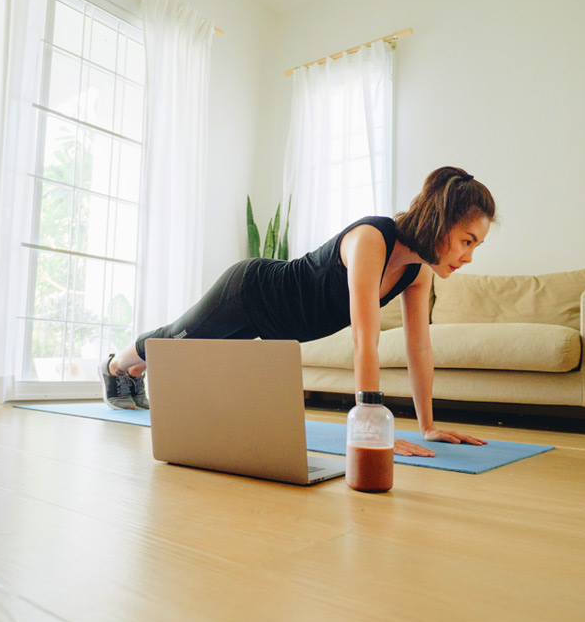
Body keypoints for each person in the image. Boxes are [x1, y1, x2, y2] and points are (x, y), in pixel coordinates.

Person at [98, 166, 495, 457]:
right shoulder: (372, 239)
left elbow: (419, 349)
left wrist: (427, 426)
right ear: (441, 223)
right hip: (252, 292)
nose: (469, 256)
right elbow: (364, 339)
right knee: (174, 341)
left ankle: (135, 370)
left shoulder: (417, 272)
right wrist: (370, 425)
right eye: (467, 241)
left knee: (189, 355)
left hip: (277, 324)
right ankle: (118, 366)